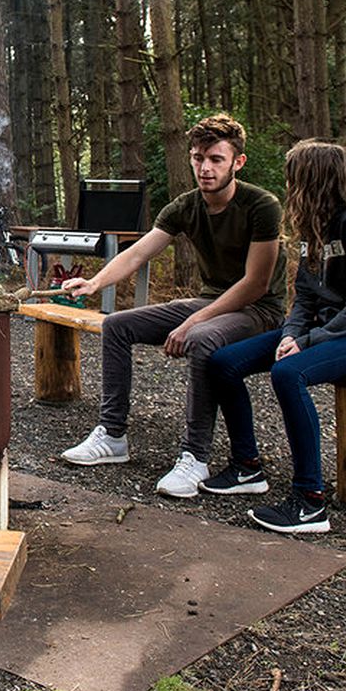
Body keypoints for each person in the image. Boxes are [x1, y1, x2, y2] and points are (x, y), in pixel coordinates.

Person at [58, 114, 287, 498]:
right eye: (198, 158)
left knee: (201, 338)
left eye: (216, 159)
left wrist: (193, 320)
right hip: (211, 302)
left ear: (237, 162)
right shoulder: (186, 205)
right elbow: (140, 252)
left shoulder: (261, 206)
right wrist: (95, 282)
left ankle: (195, 456)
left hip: (258, 311)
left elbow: (255, 284)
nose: (205, 168)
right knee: (117, 326)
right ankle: (113, 435)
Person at [204, 140, 346, 535]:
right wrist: (294, 332)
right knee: (224, 362)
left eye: (293, 176)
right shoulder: (314, 224)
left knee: (288, 374)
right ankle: (247, 467)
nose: (288, 183)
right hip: (323, 331)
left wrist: (311, 341)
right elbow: (307, 293)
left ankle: (310, 502)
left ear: (313, 179)